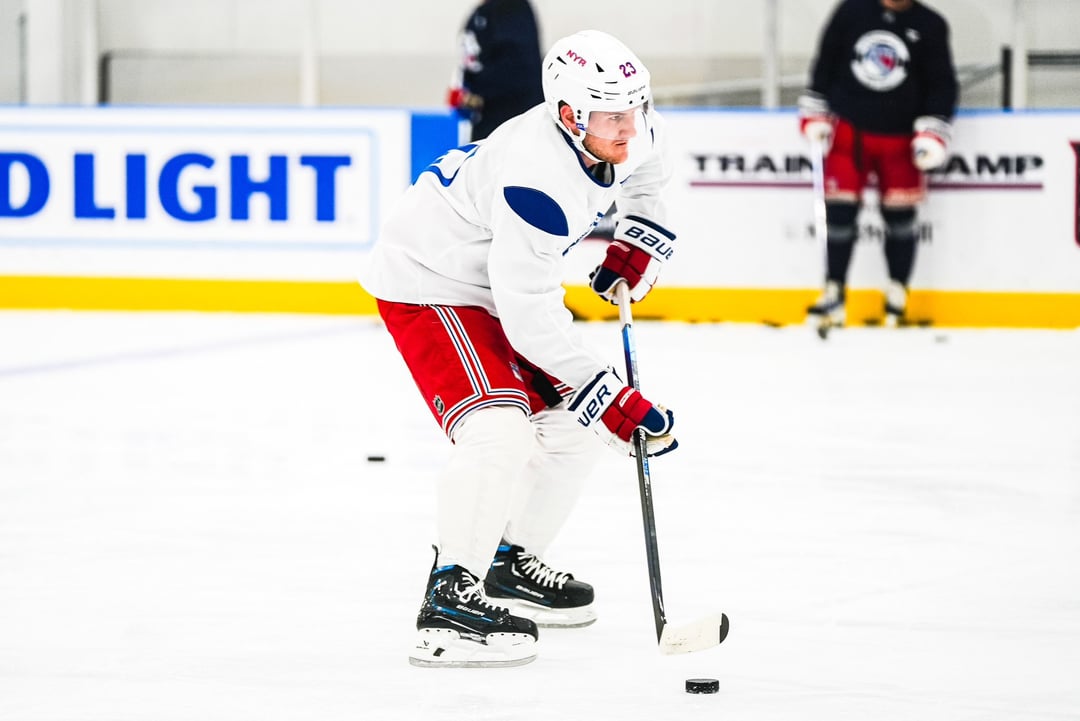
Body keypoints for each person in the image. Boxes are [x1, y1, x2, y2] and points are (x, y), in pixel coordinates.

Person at [361, 30, 679, 668]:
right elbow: (528, 314)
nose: (629, 127)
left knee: (573, 431)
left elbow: (649, 179)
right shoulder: (537, 177)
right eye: (612, 116)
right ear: (569, 115)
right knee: (499, 431)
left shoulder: (633, 127)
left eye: (637, 108)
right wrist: (610, 395)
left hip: (495, 282)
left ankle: (505, 561)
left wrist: (636, 245)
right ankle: (448, 603)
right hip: (433, 283)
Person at [798, 0, 958, 332]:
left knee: (900, 217)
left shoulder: (930, 24)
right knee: (840, 214)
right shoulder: (851, 11)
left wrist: (933, 129)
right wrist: (815, 108)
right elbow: (825, 63)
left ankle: (898, 290)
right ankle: (834, 290)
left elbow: (942, 83)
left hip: (901, 138)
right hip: (849, 132)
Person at [448, 0, 544, 141]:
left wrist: (474, 92)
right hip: (487, 123)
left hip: (512, 125)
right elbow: (473, 63)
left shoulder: (512, 8)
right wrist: (464, 89)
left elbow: (517, 70)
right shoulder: (481, 13)